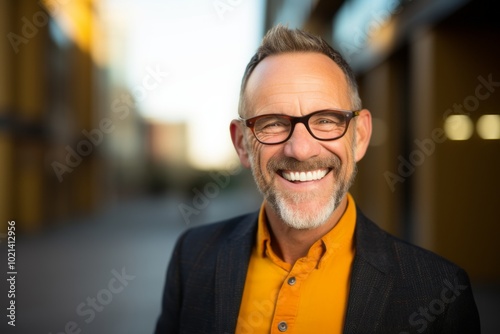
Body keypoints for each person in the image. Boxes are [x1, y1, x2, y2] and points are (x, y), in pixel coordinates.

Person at [154, 25, 480, 333]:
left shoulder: (439, 291)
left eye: (325, 120)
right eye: (273, 123)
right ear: (242, 143)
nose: (300, 149)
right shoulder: (192, 257)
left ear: (361, 135)